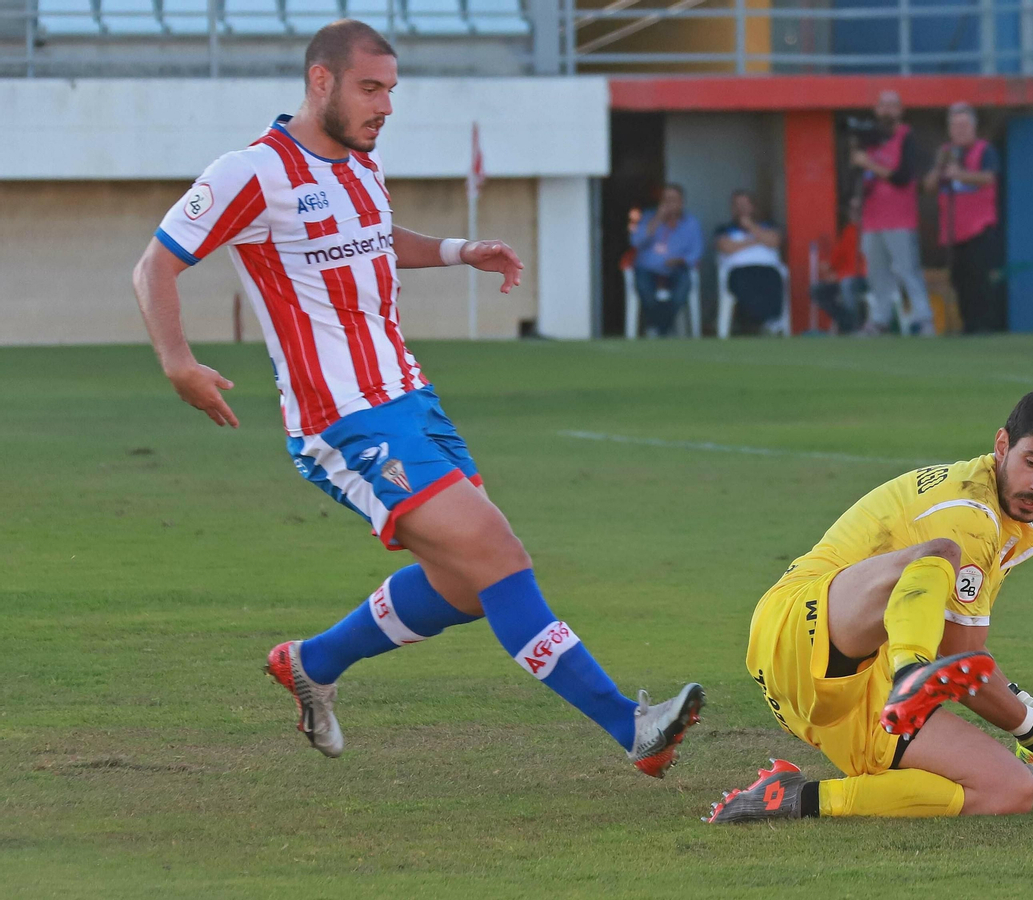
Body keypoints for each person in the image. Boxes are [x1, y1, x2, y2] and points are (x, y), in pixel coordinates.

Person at [130, 20, 703, 777]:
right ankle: (630, 726)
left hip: (412, 400)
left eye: (392, 90)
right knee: (498, 555)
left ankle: (312, 663)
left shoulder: (361, 165)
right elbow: (154, 267)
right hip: (345, 421)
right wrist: (178, 363)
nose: (386, 105)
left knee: (466, 586)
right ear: (321, 82)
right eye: (372, 88)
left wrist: (460, 251)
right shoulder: (252, 173)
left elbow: (372, 236)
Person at [706, 384, 1033, 823]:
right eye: (1032, 462)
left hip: (853, 694)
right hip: (798, 624)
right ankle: (913, 675)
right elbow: (960, 659)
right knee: (938, 553)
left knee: (1011, 788)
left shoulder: (999, 522)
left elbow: (966, 659)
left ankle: (793, 798)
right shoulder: (969, 512)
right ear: (1002, 446)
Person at [853, 90, 935, 336]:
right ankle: (880, 319)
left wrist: (870, 165)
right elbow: (858, 176)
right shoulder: (869, 141)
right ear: (876, 110)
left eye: (893, 106)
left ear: (900, 111)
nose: (888, 110)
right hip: (872, 219)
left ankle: (924, 319)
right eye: (883, 106)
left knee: (907, 269)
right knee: (876, 272)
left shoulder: (906, 137)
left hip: (899, 219)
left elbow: (903, 176)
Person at [925, 102, 1004, 334]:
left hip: (979, 226)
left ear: (973, 127)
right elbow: (929, 187)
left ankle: (984, 324)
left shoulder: (984, 150)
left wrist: (959, 174)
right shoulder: (945, 153)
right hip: (953, 229)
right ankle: (968, 324)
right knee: (959, 279)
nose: (959, 130)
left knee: (979, 278)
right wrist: (939, 168)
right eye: (955, 126)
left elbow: (989, 178)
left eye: (964, 125)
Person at [630, 183, 704, 337]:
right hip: (648, 269)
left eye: (673, 200)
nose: (669, 204)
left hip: (677, 268)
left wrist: (680, 260)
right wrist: (657, 219)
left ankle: (657, 327)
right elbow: (636, 241)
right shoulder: (648, 217)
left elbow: (697, 252)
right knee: (645, 290)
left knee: (681, 291)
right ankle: (663, 328)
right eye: (666, 199)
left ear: (681, 202)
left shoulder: (691, 223)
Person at [714, 190, 786, 333]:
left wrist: (751, 227)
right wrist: (756, 241)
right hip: (738, 271)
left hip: (768, 270)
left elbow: (774, 241)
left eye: (744, 204)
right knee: (745, 283)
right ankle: (756, 323)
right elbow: (726, 247)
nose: (741, 208)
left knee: (773, 279)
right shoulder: (724, 229)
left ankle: (771, 322)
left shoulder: (769, 225)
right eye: (737, 205)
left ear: (753, 207)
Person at [810, 196, 868, 335]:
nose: (854, 212)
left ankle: (855, 328)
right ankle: (848, 323)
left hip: (864, 279)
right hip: (844, 277)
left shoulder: (870, 233)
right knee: (817, 290)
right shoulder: (848, 230)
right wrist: (828, 268)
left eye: (858, 209)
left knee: (847, 284)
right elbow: (836, 260)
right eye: (852, 209)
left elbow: (867, 266)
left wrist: (839, 276)